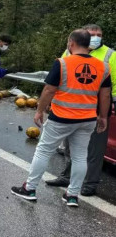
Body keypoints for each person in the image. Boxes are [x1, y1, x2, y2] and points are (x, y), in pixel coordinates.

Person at [11, 29, 111, 207]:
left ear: (71, 43)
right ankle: (72, 195)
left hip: (62, 117)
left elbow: (49, 89)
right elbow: (105, 95)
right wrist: (103, 117)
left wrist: (39, 110)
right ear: (88, 45)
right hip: (88, 118)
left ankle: (30, 188)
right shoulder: (103, 66)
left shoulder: (63, 63)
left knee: (43, 151)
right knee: (81, 156)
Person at [46, 24, 116, 196]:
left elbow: (112, 86)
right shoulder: (70, 50)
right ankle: (67, 177)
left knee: (95, 150)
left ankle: (90, 184)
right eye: (92, 34)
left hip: (98, 107)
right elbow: (61, 73)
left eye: (99, 34)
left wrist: (107, 108)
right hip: (72, 107)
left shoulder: (111, 55)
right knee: (72, 147)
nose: (96, 37)